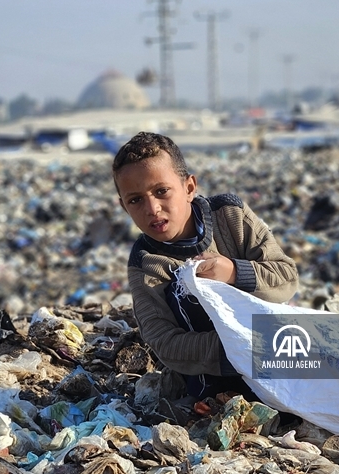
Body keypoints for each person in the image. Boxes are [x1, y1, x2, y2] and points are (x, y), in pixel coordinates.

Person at [112, 132, 299, 398]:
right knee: (182, 292)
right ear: (124, 207)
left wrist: (234, 272)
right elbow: (165, 342)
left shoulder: (229, 215)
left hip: (278, 357)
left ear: (189, 188)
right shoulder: (147, 262)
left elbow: (286, 277)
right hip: (214, 384)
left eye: (161, 191)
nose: (152, 208)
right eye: (136, 200)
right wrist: (239, 348)